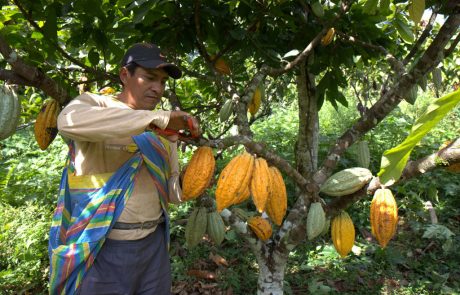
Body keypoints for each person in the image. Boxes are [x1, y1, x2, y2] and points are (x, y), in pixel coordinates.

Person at [48, 43, 200, 295]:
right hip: (102, 247)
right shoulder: (96, 105)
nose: (158, 88)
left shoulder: (163, 131)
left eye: (162, 82)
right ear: (124, 75)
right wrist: (156, 119)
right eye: (150, 78)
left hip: (153, 247)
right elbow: (67, 123)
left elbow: (172, 193)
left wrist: (193, 177)